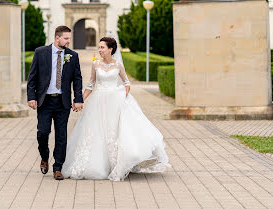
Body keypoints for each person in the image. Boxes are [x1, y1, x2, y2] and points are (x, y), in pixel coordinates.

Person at [62, 37, 170, 181]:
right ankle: (98, 165)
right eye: (99, 47)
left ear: (110, 49)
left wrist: (124, 97)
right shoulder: (95, 64)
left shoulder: (118, 65)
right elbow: (90, 84)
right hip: (98, 102)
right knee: (96, 132)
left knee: (114, 133)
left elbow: (126, 82)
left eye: (102, 47)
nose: (99, 50)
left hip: (115, 102)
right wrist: (79, 100)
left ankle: (116, 164)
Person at [27, 26, 83, 181]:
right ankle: (44, 156)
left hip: (62, 102)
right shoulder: (40, 52)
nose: (68, 41)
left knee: (61, 136)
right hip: (44, 101)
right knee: (43, 132)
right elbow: (32, 77)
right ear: (57, 38)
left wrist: (78, 99)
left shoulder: (73, 55)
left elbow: (77, 79)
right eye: (66, 38)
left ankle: (58, 167)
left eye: (69, 38)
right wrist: (31, 97)